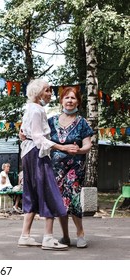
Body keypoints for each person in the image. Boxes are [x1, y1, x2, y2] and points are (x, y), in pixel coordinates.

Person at [18, 78, 79, 251]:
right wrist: (62, 147)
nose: (50, 93)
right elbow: (38, 138)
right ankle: (48, 237)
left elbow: (24, 132)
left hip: (27, 153)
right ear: (37, 92)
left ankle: (25, 235)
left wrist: (23, 135)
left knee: (31, 193)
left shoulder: (30, 108)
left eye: (50, 90)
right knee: (49, 191)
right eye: (46, 90)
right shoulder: (37, 110)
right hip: (37, 154)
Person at [48, 86, 93, 248]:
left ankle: (80, 233)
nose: (70, 100)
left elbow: (88, 145)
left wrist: (79, 150)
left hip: (75, 166)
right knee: (60, 200)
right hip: (55, 168)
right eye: (67, 97)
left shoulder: (82, 122)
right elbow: (44, 140)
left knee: (73, 198)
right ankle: (65, 236)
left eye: (73, 98)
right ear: (61, 101)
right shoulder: (51, 121)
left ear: (78, 102)